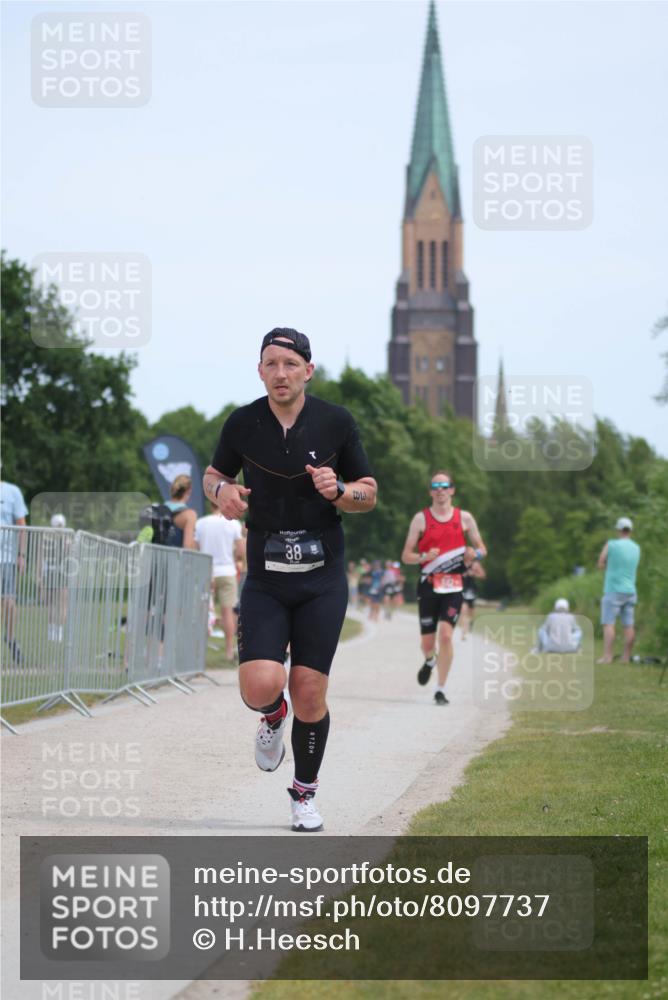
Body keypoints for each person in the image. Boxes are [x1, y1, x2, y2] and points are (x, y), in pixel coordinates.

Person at [203, 327, 377, 832]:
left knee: (309, 691)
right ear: (260, 371)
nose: (281, 373)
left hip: (322, 579)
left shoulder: (336, 422)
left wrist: (339, 489)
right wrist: (220, 493)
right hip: (267, 577)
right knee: (262, 685)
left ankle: (304, 794)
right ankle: (272, 716)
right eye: (271, 364)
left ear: (308, 370)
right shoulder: (243, 423)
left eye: (290, 364)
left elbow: (368, 493)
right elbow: (214, 475)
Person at [401, 471, 487, 705]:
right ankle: (430, 660)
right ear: (430, 491)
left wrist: (474, 554)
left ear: (452, 490)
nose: (440, 490)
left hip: (454, 585)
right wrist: (423, 557)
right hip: (428, 585)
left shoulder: (464, 518)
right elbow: (406, 556)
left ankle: (440, 689)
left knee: (446, 636)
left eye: (444, 485)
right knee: (427, 644)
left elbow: (482, 548)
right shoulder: (420, 519)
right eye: (435, 486)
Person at [195, 505, 245, 660]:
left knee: (203, 612)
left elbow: (195, 548)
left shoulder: (201, 523)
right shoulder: (233, 523)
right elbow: (241, 551)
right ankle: (229, 651)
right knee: (228, 612)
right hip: (227, 571)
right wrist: (235, 558)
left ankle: (199, 652)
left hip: (206, 570)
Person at [596, 516, 641, 663]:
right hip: (631, 591)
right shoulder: (636, 547)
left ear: (619, 530)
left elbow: (600, 563)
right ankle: (626, 657)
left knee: (608, 623)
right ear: (630, 531)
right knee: (628, 625)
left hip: (613, 590)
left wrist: (609, 566)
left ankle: (607, 657)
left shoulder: (611, 544)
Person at [1, 472, 28, 664]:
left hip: (5, 558)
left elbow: (21, 524)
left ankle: (10, 638)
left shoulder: (12, 491)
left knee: (8, 601)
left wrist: (21, 554)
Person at [166, 475, 198, 550]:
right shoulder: (189, 515)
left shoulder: (159, 510)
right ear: (189, 491)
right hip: (174, 556)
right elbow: (188, 549)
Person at [459, 562, 486, 641]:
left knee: (471, 613)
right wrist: (463, 575)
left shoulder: (475, 565)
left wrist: (474, 574)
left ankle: (470, 624)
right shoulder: (459, 563)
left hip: (471, 591)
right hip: (461, 590)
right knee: (463, 611)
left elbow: (483, 576)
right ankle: (463, 632)